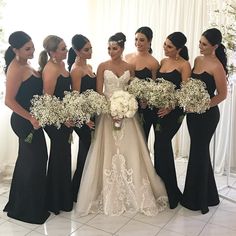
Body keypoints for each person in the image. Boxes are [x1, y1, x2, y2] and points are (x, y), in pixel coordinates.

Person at [76, 32, 168, 216]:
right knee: (107, 150)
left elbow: (131, 90)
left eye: (115, 48)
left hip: (128, 116)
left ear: (122, 48)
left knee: (130, 150)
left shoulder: (130, 67)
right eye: (109, 48)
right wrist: (112, 109)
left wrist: (126, 107)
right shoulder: (102, 66)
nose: (111, 51)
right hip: (107, 113)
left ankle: (136, 192)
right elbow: (99, 91)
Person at [3, 31, 50, 224]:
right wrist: (31, 117)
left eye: (32, 46)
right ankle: (26, 210)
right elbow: (8, 101)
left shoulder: (26, 64)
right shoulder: (15, 68)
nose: (32, 51)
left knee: (29, 161)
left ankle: (21, 203)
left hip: (32, 120)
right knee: (34, 161)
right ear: (16, 50)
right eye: (27, 48)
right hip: (23, 121)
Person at [181, 28, 228, 214]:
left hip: (207, 115)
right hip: (192, 114)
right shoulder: (198, 60)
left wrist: (202, 106)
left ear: (215, 46)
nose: (200, 46)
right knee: (199, 152)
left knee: (199, 153)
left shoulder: (217, 66)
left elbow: (222, 95)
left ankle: (197, 200)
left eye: (204, 44)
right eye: (200, 42)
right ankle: (210, 196)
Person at [155, 32, 191, 209]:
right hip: (158, 111)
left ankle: (172, 193)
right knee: (159, 147)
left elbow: (184, 92)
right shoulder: (163, 62)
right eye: (165, 44)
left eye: (169, 47)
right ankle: (161, 191)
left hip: (174, 113)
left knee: (162, 146)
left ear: (179, 49)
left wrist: (170, 106)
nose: (165, 48)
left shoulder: (184, 65)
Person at [38, 35, 73, 215]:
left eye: (66, 47)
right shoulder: (50, 69)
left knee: (64, 156)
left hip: (65, 117)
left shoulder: (61, 64)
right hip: (55, 120)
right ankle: (54, 201)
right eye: (63, 48)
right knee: (59, 157)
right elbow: (48, 100)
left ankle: (64, 199)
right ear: (52, 52)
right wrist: (62, 118)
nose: (66, 51)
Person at [67, 34, 96, 202]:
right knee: (86, 150)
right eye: (86, 49)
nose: (90, 51)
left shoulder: (89, 66)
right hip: (82, 118)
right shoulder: (76, 70)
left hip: (92, 115)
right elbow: (76, 98)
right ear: (77, 51)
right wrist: (85, 119)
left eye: (91, 48)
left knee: (88, 151)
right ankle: (76, 190)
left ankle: (84, 188)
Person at [125, 26, 159, 140]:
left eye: (142, 40)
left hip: (145, 106)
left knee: (141, 137)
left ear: (149, 41)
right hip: (127, 104)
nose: (138, 43)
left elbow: (154, 86)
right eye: (136, 39)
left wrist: (147, 100)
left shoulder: (153, 62)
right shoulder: (127, 57)